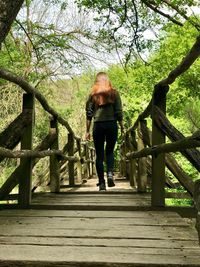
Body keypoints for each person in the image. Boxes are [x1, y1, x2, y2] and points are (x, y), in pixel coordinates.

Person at [85, 72, 123, 191]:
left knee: (99, 155)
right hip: (111, 124)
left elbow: (89, 114)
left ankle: (102, 183)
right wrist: (122, 126)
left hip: (98, 125)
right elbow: (118, 112)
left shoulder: (92, 95)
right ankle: (110, 174)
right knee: (110, 151)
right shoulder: (114, 93)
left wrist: (87, 131)